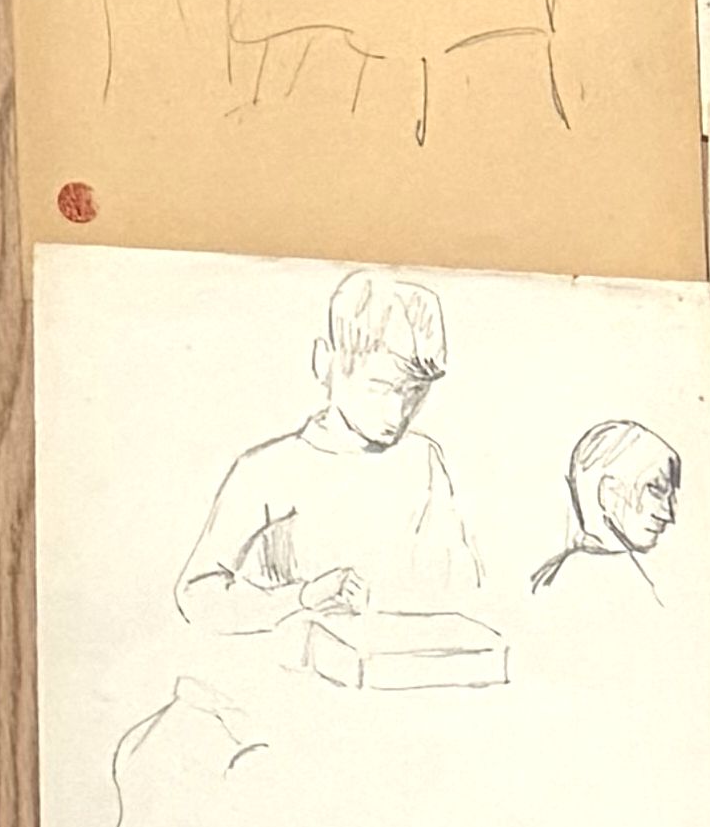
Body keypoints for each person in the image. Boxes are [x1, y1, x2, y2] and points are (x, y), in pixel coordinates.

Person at [172, 267, 483, 641]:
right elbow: (197, 594)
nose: (397, 413)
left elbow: (459, 585)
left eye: (415, 391)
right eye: (379, 387)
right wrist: (302, 597)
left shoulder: (424, 460)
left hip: (405, 667)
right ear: (325, 362)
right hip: (296, 669)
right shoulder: (267, 470)